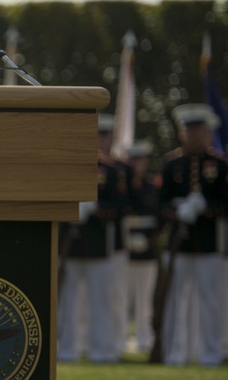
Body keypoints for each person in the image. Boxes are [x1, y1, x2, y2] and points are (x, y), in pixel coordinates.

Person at [157, 103, 228, 366]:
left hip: (209, 245)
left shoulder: (219, 166)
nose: (193, 134)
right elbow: (160, 204)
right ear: (182, 133)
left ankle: (210, 353)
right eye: (189, 129)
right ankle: (174, 353)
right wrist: (177, 210)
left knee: (211, 301)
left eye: (198, 129)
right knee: (175, 300)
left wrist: (205, 207)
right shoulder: (171, 164)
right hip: (179, 245)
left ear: (208, 133)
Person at [57, 114, 126, 362]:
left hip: (99, 247)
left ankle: (102, 351)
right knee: (66, 303)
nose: (99, 140)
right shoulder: (67, 167)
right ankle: (67, 351)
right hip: (70, 247)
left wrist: (96, 208)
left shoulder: (111, 170)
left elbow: (120, 208)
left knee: (101, 303)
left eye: (104, 135)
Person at [123, 140, 160, 354]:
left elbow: (158, 217)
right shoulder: (122, 186)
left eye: (140, 159)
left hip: (147, 249)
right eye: (133, 159)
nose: (137, 163)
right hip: (125, 249)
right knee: (123, 299)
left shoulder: (152, 187)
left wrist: (151, 240)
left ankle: (144, 338)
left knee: (145, 299)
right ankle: (121, 338)